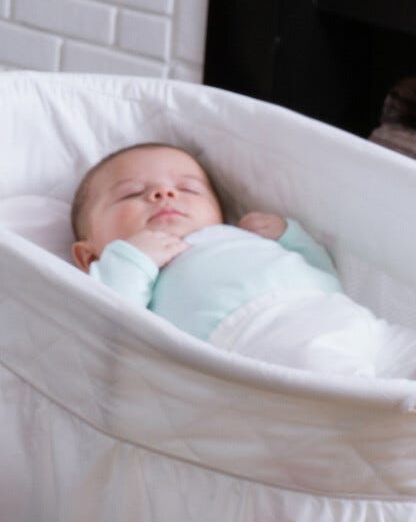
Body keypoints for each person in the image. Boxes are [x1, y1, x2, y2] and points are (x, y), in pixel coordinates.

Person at [70, 142, 416, 379]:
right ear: (89, 255)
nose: (164, 194)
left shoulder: (234, 236)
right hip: (263, 335)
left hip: (347, 315)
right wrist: (131, 259)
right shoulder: (134, 269)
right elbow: (115, 324)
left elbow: (324, 272)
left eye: (188, 188)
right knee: (338, 378)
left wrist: (291, 237)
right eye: (132, 193)